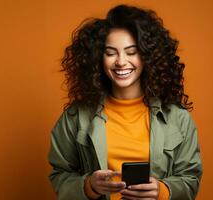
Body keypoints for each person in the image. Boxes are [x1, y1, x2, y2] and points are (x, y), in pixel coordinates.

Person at [47, 4, 203, 200]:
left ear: (148, 57)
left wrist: (162, 191)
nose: (121, 61)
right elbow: (59, 175)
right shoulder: (76, 116)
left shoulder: (177, 118)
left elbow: (191, 178)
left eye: (131, 52)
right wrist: (89, 186)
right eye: (110, 53)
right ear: (98, 58)